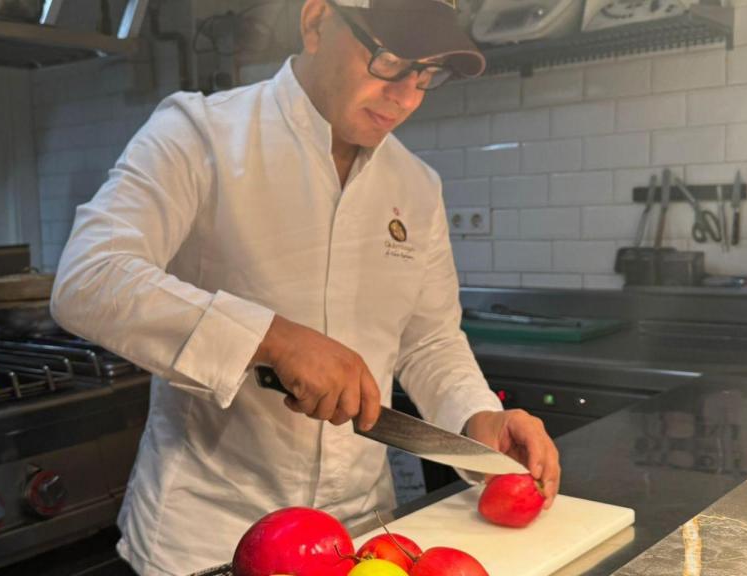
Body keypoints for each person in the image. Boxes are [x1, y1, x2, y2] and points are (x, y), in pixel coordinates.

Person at [51, 0, 561, 572]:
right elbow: (89, 277)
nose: (407, 96)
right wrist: (271, 337)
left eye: (427, 73)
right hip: (210, 540)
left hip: (363, 539)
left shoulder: (416, 184)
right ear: (317, 22)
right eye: (391, 61)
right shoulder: (200, 134)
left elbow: (429, 340)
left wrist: (475, 417)